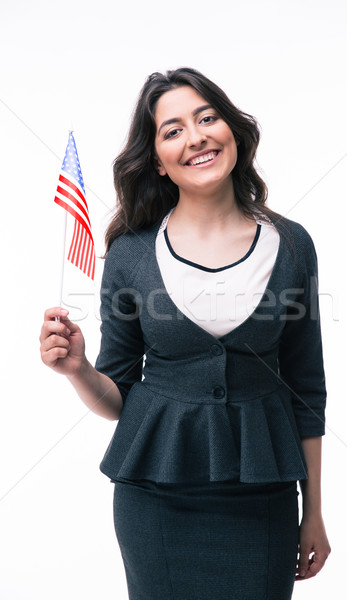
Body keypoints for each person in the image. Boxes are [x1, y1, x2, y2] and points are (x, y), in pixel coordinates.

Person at [40, 67, 331, 600]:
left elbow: (306, 390)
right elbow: (119, 394)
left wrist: (313, 513)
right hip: (155, 502)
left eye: (207, 117)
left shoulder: (292, 245)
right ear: (157, 160)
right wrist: (79, 369)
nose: (195, 137)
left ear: (232, 133)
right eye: (172, 130)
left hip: (261, 499)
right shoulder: (130, 252)